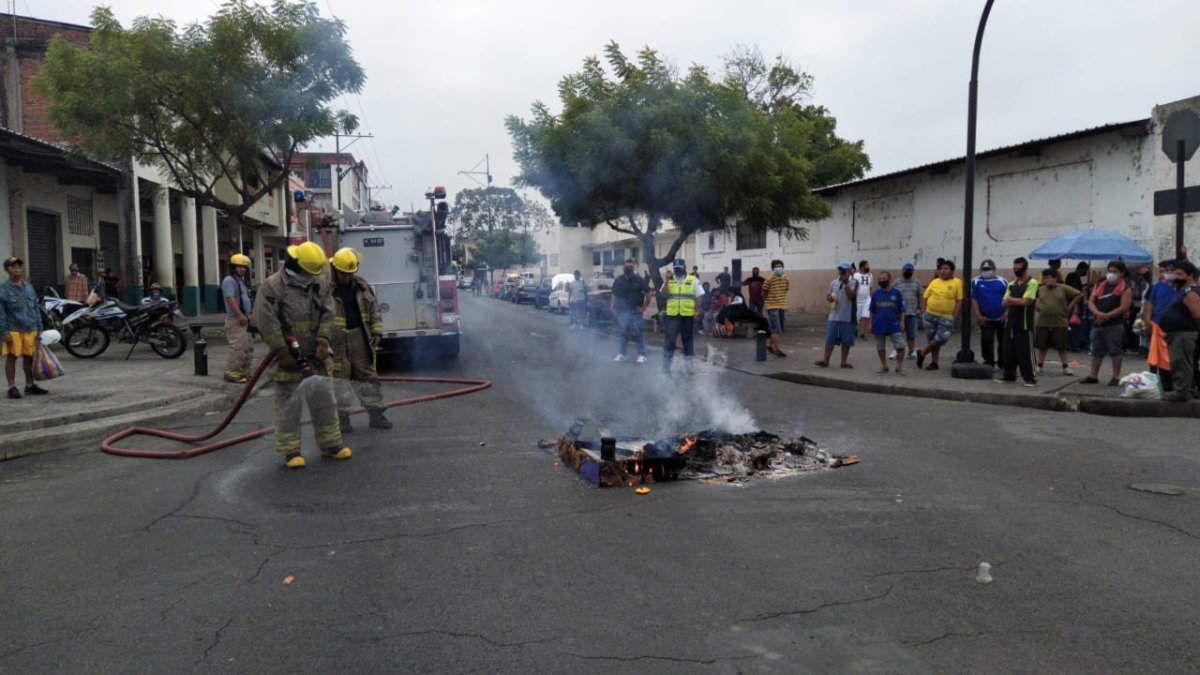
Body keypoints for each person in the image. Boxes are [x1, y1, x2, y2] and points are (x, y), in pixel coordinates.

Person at [252, 241, 349, 469]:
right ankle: (291, 450)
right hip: (288, 357)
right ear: (297, 266)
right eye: (309, 272)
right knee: (289, 405)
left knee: (325, 402)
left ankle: (331, 444)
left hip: (317, 356)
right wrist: (281, 350)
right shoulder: (273, 286)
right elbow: (266, 320)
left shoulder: (319, 283)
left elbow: (328, 313)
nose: (312, 276)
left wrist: (324, 340)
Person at [329, 247, 391, 432]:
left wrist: (377, 332)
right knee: (340, 380)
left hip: (359, 337)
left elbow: (374, 309)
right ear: (335, 270)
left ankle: (377, 415)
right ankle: (343, 420)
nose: (347, 277)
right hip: (336, 340)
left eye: (350, 273)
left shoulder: (362, 286)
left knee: (367, 377)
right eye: (343, 273)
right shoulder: (325, 289)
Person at [0, 257, 47, 399]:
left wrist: (39, 326)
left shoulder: (28, 287)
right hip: (13, 329)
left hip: (30, 327)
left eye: (19, 266)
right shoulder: (4, 290)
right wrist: (3, 332)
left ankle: (30, 385)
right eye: (13, 267)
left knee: (29, 357)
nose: (17, 269)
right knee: (12, 357)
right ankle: (12, 387)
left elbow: (35, 308)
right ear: (7, 270)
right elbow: (1, 313)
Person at [1080, 260, 1132, 386]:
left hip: (1114, 324)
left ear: (1121, 273)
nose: (1111, 274)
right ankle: (1093, 376)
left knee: (1115, 351)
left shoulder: (1126, 288)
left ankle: (1115, 377)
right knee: (1096, 350)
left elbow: (1124, 307)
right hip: (1097, 323)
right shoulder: (1100, 284)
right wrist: (1098, 313)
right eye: (1109, 271)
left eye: (1115, 272)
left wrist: (1106, 316)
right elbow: (1091, 300)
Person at [1158, 260, 1200, 402]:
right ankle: (1181, 390)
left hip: (1184, 333)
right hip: (1175, 333)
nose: (1176, 277)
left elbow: (1197, 314)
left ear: (1191, 276)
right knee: (1177, 362)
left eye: (1180, 274)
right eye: (1175, 273)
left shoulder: (1190, 292)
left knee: (1182, 362)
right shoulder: (1181, 291)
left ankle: (1182, 392)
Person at [995, 257, 1039, 386]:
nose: (1016, 271)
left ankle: (1030, 378)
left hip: (1025, 323)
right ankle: (1009, 375)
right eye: (1014, 268)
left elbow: (1027, 301)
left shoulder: (1032, 283)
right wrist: (1016, 300)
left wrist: (1012, 300)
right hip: (1011, 322)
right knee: (1008, 351)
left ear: (1025, 268)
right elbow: (1004, 302)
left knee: (1026, 352)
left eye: (1018, 268)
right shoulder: (1012, 284)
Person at [1033, 268, 1082, 377]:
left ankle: (1065, 366)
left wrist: (1070, 307)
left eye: (1049, 278)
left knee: (1061, 345)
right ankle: (1039, 365)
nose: (1047, 281)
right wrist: (1037, 307)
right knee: (1042, 345)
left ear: (1055, 278)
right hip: (1042, 321)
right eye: (1045, 278)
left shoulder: (1063, 288)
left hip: (1060, 321)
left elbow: (1079, 294)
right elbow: (1030, 298)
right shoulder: (1040, 289)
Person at [916, 260, 962, 371]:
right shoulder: (934, 282)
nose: (943, 271)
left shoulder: (957, 282)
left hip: (946, 316)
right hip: (930, 315)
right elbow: (925, 297)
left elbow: (959, 300)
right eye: (941, 269)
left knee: (940, 339)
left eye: (946, 269)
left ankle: (922, 353)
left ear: (952, 271)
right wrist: (923, 312)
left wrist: (954, 316)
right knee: (932, 339)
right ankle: (934, 363)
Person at [660, 259, 703, 374]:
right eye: (676, 268)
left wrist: (696, 313)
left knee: (688, 342)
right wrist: (667, 280)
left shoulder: (693, 279)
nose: (678, 270)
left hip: (687, 316)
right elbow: (663, 294)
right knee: (669, 342)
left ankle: (689, 368)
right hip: (672, 315)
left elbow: (698, 298)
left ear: (685, 267)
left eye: (680, 267)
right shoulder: (670, 279)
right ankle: (666, 367)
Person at [1143, 259, 1177, 391]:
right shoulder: (1157, 286)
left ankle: (1174, 385)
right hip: (1157, 325)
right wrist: (1147, 320)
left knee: (1173, 357)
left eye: (1171, 271)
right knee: (1156, 356)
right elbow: (1149, 303)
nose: (1169, 273)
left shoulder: (1181, 286)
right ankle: (1159, 382)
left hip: (1175, 328)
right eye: (1166, 271)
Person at [221, 253, 255, 384]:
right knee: (238, 347)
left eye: (244, 267)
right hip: (235, 319)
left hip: (244, 318)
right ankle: (232, 372)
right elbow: (230, 299)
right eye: (239, 267)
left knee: (248, 347)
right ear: (233, 267)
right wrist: (240, 314)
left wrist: (249, 314)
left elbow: (245, 298)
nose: (242, 269)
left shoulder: (241, 281)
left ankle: (244, 372)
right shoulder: (229, 280)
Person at [816, 261, 857, 368]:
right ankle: (826, 360)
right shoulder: (833, 282)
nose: (842, 272)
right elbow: (828, 295)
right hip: (834, 315)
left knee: (846, 341)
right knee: (830, 339)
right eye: (840, 270)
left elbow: (851, 296)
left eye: (844, 270)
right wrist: (830, 298)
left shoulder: (854, 282)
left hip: (848, 317)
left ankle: (843, 362)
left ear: (848, 271)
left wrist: (846, 283)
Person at [611, 258, 650, 364]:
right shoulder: (618, 280)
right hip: (623, 312)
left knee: (639, 333)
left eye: (631, 267)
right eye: (627, 266)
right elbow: (614, 294)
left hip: (636, 312)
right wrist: (612, 307)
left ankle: (642, 355)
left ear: (634, 268)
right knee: (623, 333)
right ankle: (622, 354)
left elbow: (648, 293)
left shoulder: (639, 279)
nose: (629, 268)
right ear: (624, 267)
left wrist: (644, 306)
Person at [971, 259, 1008, 369]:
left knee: (1004, 341)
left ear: (994, 269)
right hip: (985, 318)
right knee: (986, 340)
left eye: (988, 269)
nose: (986, 271)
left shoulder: (1003, 281)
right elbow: (974, 299)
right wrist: (978, 315)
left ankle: (1003, 362)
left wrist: (1007, 313)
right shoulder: (976, 282)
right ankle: (989, 362)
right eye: (984, 269)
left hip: (1002, 318)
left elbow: (1009, 298)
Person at [869, 271, 906, 374]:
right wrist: (870, 323)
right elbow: (872, 310)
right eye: (880, 279)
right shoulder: (876, 293)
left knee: (901, 346)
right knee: (880, 347)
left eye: (883, 278)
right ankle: (884, 366)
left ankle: (899, 366)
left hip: (894, 324)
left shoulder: (897, 293)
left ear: (889, 279)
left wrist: (902, 322)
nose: (881, 281)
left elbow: (902, 310)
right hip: (879, 324)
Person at [761, 259, 790, 358]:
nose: (779, 268)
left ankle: (770, 346)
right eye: (776, 266)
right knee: (776, 329)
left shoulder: (785, 278)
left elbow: (786, 289)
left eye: (780, 266)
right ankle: (776, 350)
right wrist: (767, 304)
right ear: (773, 268)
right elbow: (763, 292)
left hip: (781, 305)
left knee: (777, 328)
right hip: (772, 306)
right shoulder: (769, 278)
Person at [894, 262, 923, 360]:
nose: (908, 271)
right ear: (903, 270)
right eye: (906, 269)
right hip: (898, 313)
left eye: (910, 270)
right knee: (898, 333)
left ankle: (911, 351)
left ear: (913, 271)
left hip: (912, 312)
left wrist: (920, 308)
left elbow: (920, 296)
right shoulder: (897, 282)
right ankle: (896, 351)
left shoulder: (917, 282)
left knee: (911, 334)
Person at [1065, 262, 1091, 350]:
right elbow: (1073, 294)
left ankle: (1073, 343)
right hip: (1073, 305)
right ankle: (1072, 344)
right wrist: (1075, 307)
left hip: (1074, 305)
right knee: (1073, 325)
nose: (1086, 273)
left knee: (1074, 325)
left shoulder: (1076, 277)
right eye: (1086, 270)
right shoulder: (1072, 277)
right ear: (1081, 269)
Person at [854, 260, 873, 338]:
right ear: (862, 267)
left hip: (867, 299)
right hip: (858, 300)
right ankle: (854, 329)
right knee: (857, 317)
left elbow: (870, 287)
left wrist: (871, 297)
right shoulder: (856, 275)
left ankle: (862, 333)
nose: (868, 267)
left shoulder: (870, 275)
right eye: (867, 265)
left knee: (864, 316)